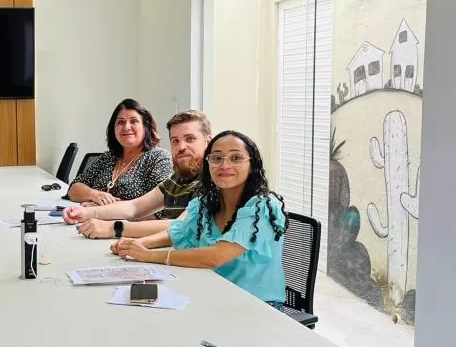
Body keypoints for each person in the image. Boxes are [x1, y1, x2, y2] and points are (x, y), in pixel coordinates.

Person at [111, 130, 288, 309]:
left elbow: (216, 256)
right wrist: (135, 245)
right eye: (217, 158)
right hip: (214, 296)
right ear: (208, 163)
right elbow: (176, 233)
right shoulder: (206, 203)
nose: (225, 165)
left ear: (252, 165)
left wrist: (149, 256)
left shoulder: (262, 206)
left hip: (259, 306)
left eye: (236, 158)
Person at [64, 110, 212, 239]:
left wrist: (114, 228)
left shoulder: (212, 179)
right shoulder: (177, 179)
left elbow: (181, 226)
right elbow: (135, 207)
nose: (181, 147)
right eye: (175, 141)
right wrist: (87, 212)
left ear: (208, 142)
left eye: (190, 139)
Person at [66, 98, 172, 206]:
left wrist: (105, 209)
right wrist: (95, 195)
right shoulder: (108, 157)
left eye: (134, 121)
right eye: (121, 122)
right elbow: (73, 189)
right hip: (91, 220)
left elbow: (162, 210)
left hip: (123, 222)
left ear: (146, 127)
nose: (126, 127)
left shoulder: (159, 158)